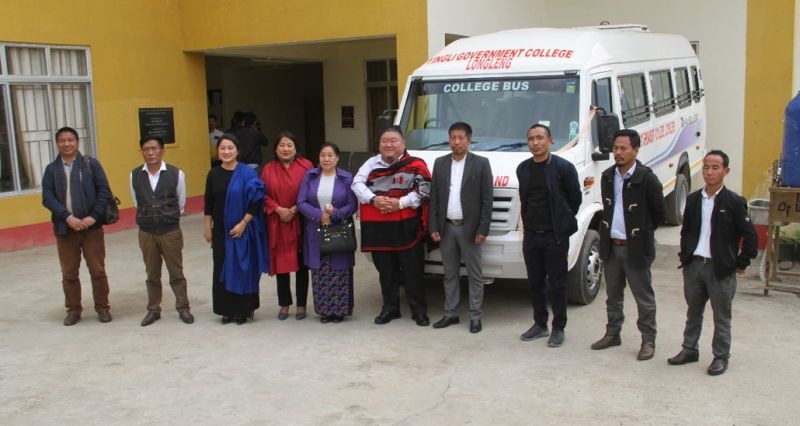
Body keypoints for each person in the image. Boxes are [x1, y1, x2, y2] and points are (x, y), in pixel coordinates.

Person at [668, 150, 757, 376]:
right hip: (694, 266)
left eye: (715, 167)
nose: (709, 172)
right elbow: (686, 231)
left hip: (720, 270)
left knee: (721, 316)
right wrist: (685, 257)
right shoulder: (694, 199)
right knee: (693, 311)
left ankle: (720, 356)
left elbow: (751, 236)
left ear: (726, 171)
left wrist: (740, 262)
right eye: (706, 167)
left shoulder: (734, 202)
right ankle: (689, 349)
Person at [591, 129, 665, 360]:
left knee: (643, 297)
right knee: (613, 294)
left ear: (636, 150)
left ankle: (648, 340)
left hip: (635, 249)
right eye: (615, 148)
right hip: (612, 247)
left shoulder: (647, 178)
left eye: (624, 148)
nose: (618, 153)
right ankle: (613, 333)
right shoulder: (608, 176)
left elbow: (659, 213)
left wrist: (641, 234)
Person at [352, 126, 432, 326]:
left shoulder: (416, 164)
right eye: (384, 141)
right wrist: (374, 199)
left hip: (407, 228)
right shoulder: (371, 164)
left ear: (403, 143)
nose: (388, 144)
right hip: (379, 229)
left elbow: (425, 189)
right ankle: (390, 308)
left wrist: (400, 203)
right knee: (386, 273)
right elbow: (356, 184)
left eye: (393, 140)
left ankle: (419, 311)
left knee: (413, 273)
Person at [516, 124, 581, 347]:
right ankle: (540, 323)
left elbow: (575, 200)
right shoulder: (523, 168)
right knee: (535, 283)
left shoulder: (563, 168)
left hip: (555, 236)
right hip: (532, 236)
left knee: (558, 284)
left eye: (540, 138)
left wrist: (561, 224)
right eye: (531, 139)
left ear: (550, 140)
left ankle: (558, 327)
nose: (535, 143)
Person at [42, 126, 113, 326]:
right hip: (66, 229)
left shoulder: (91, 164)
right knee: (69, 273)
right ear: (57, 144)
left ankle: (102, 307)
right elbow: (47, 198)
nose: (67, 143)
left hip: (92, 228)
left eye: (70, 140)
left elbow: (104, 192)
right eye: (62, 140)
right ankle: (73, 309)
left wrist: (93, 217)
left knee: (97, 270)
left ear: (77, 142)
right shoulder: (51, 169)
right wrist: (67, 217)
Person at [429, 122, 493, 333]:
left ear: (469, 140)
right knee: (450, 274)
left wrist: (483, 229)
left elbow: (487, 200)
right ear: (449, 139)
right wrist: (434, 226)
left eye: (461, 138)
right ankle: (451, 314)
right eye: (453, 137)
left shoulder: (481, 164)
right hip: (447, 229)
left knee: (475, 275)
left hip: (470, 229)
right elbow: (435, 198)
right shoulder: (440, 163)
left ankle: (475, 316)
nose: (457, 142)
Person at [204, 133, 269, 325]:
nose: (226, 152)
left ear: (237, 151)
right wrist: (207, 226)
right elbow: (209, 202)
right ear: (218, 151)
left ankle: (243, 310)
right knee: (222, 267)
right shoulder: (213, 173)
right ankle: (227, 310)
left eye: (230, 148)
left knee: (243, 268)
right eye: (222, 148)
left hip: (242, 229)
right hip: (221, 231)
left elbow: (256, 200)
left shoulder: (247, 173)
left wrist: (243, 223)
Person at [129, 136, 194, 327]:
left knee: (176, 271)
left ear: (162, 151)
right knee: (152, 273)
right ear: (142, 151)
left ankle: (183, 307)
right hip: (147, 231)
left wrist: (167, 216)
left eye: (154, 148)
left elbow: (181, 202)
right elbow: (137, 201)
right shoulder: (134, 175)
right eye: (146, 149)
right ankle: (153, 309)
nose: (150, 153)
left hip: (170, 231)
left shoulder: (176, 174)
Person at [297, 142, 358, 323]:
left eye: (330, 155)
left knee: (339, 270)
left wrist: (336, 214)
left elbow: (352, 204)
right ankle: (324, 310)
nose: (326, 159)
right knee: (320, 270)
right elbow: (301, 201)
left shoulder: (346, 178)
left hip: (339, 228)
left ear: (337, 158)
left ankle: (339, 311)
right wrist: (319, 215)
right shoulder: (310, 176)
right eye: (323, 155)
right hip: (316, 229)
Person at [261, 131, 313, 320]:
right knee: (281, 264)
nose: (285, 149)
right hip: (278, 222)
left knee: (301, 264)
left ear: (296, 148)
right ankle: (284, 304)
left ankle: (301, 305)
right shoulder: (268, 169)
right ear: (275, 148)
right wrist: (277, 209)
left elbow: (311, 190)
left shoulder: (306, 166)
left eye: (289, 145)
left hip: (300, 220)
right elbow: (262, 194)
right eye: (282, 145)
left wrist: (296, 208)